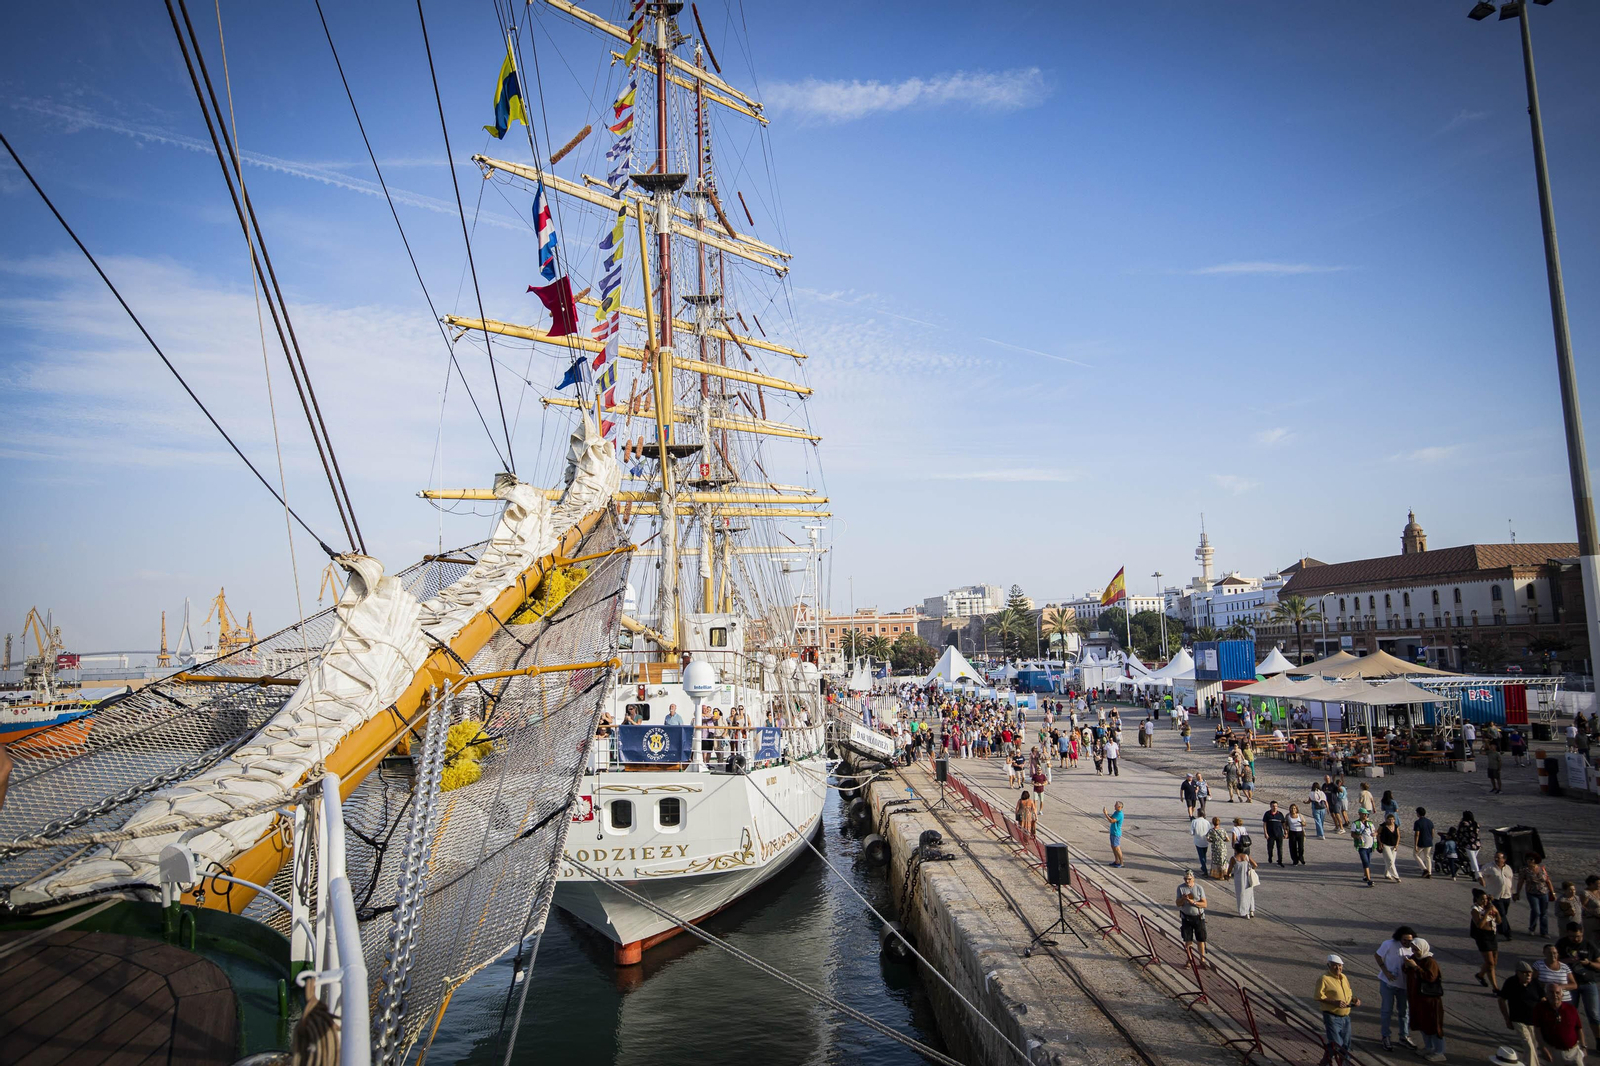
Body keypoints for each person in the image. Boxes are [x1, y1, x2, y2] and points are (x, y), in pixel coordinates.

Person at [1557, 921, 1600, 1049]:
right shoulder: (1562, 943)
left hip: (1588, 982)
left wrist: (1588, 963)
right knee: (1569, 1013)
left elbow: (1599, 965)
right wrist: (1568, 960)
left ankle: (1598, 1040)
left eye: (1578, 936)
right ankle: (1570, 1038)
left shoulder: (1589, 945)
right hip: (1570, 984)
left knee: (1594, 1014)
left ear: (1582, 933)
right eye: (1572, 936)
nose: (1575, 939)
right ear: (1567, 934)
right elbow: (1554, 961)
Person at [1375, 925, 1418, 1052]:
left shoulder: (1414, 949)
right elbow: (1377, 956)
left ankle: (1404, 1036)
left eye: (1410, 940)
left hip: (1404, 986)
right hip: (1387, 984)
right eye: (1404, 940)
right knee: (1386, 1010)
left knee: (1404, 1012)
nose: (1407, 943)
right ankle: (1385, 1036)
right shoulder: (1389, 944)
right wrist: (1385, 971)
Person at [1404, 938, 1447, 1062]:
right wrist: (1408, 965)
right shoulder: (1415, 958)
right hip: (1418, 999)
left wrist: (1416, 967)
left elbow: (1431, 977)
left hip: (1430, 1000)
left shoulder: (1429, 961)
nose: (1414, 951)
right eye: (1413, 949)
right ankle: (1429, 1047)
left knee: (1433, 1026)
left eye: (1416, 949)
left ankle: (1439, 1051)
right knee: (1422, 1025)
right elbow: (1407, 971)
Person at [1317, 953, 1360, 1064]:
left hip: (1345, 1017)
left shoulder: (1344, 977)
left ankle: (1339, 1063)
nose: (1338, 968)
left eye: (1340, 965)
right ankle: (1325, 1062)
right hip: (1332, 1016)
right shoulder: (1324, 979)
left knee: (1346, 1045)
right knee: (1336, 1044)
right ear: (1329, 966)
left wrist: (1354, 1000)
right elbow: (1319, 996)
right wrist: (1334, 1002)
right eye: (1335, 965)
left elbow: (1348, 992)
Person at [1503, 962, 1547, 1066]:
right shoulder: (1511, 983)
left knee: (1533, 1047)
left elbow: (1543, 1000)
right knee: (1528, 1045)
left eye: (1530, 973)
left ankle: (1527, 1063)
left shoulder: (1535, 983)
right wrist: (1506, 1018)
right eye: (1525, 973)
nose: (1528, 975)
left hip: (1534, 1021)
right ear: (1517, 973)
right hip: (1518, 1020)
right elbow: (1501, 999)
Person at [1534, 981, 1587, 1065]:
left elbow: (1579, 1028)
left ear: (1562, 995)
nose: (1555, 995)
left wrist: (1583, 1047)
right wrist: (1542, 1048)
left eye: (1557, 992)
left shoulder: (1571, 1009)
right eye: (1551, 992)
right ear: (1546, 994)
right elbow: (1537, 1030)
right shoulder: (1540, 1009)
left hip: (1574, 1052)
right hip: (1554, 1052)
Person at [1474, 887, 1504, 989]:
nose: (1484, 901)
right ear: (1476, 900)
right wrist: (1487, 912)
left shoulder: (1490, 906)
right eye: (1482, 899)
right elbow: (1480, 925)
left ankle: (1480, 975)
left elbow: (1499, 921)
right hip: (1483, 936)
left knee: (1494, 961)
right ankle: (1495, 988)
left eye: (1486, 899)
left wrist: (1496, 912)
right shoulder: (1475, 909)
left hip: (1493, 935)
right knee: (1490, 963)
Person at [1176, 869, 1209, 961]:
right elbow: (1178, 903)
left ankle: (1202, 959)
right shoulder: (1180, 888)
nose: (1187, 881)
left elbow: (1204, 904)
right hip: (1186, 917)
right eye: (1185, 879)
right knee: (1187, 940)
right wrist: (1183, 899)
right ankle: (1189, 959)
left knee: (1200, 939)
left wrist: (1193, 902)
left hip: (1198, 917)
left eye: (1189, 879)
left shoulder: (1199, 888)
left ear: (1193, 878)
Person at [1523, 854, 1557, 939]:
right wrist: (1517, 892)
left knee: (1544, 913)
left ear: (1535, 860)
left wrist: (1552, 893)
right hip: (1532, 893)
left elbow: (1548, 881)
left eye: (1531, 859)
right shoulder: (1525, 870)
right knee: (1536, 911)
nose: (1529, 861)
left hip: (1543, 893)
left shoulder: (1542, 869)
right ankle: (1532, 928)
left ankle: (1544, 932)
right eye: (1528, 859)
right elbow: (1520, 881)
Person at [1487, 852, 1518, 939]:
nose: (1496, 859)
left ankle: (1500, 927)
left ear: (1504, 859)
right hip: (1495, 895)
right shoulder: (1490, 866)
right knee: (1502, 913)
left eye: (1498, 858)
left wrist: (1514, 892)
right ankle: (1507, 932)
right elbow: (1480, 873)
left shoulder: (1508, 868)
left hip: (1506, 895)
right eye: (1495, 857)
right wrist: (1480, 878)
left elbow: (1511, 881)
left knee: (1503, 913)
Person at [1227, 845, 1258, 919]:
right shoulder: (1247, 856)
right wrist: (1251, 869)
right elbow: (1255, 865)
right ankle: (1251, 911)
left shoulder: (1233, 858)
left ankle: (1245, 912)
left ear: (1236, 850)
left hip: (1239, 879)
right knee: (1250, 895)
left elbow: (1230, 869)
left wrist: (1228, 875)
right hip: (1248, 878)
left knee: (1241, 896)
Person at [1459, 811, 1484, 886]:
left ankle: (1478, 875)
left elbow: (1460, 833)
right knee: (1473, 859)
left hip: (1468, 844)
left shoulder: (1464, 824)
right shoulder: (1476, 823)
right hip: (1477, 843)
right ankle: (1473, 872)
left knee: (1473, 860)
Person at [1353, 812, 1378, 888]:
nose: (1366, 816)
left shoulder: (1370, 823)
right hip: (1362, 846)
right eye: (1364, 814)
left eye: (1366, 815)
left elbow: (1375, 832)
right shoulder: (1356, 823)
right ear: (1360, 814)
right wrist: (1358, 836)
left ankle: (1365, 876)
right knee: (1365, 862)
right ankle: (1369, 880)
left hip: (1370, 846)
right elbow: (1352, 834)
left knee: (1368, 861)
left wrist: (1375, 834)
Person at [1378, 813, 1403, 883]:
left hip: (1393, 845)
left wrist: (1397, 845)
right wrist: (1380, 843)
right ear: (1386, 820)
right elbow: (1378, 834)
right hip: (1385, 845)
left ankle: (1387, 873)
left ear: (1394, 820)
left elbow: (1398, 836)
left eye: (1392, 819)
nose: (1391, 821)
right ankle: (1396, 876)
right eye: (1389, 819)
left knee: (1391, 860)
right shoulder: (1383, 826)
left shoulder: (1396, 826)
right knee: (1390, 860)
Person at [1412, 807, 1436, 878]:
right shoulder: (1430, 821)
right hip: (1429, 841)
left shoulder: (1417, 822)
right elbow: (1432, 832)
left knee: (1415, 854)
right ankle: (1429, 872)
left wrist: (1415, 844)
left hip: (1421, 841)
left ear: (1418, 813)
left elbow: (1417, 834)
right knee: (1427, 857)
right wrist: (1431, 839)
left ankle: (1424, 869)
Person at [1262, 801, 1288, 867]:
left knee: (1280, 848)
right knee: (1270, 847)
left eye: (1276, 806)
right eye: (1273, 806)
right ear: (1270, 806)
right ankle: (1270, 857)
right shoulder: (1267, 814)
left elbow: (1283, 824)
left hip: (1279, 834)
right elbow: (1265, 824)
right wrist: (1265, 833)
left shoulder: (1280, 814)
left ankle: (1280, 861)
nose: (1275, 807)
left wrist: (1285, 831)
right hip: (1270, 834)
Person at [1207, 816, 1230, 881]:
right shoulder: (1222, 830)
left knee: (1216, 861)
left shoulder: (1211, 830)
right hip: (1222, 847)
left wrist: (1213, 841)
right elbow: (1228, 839)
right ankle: (1224, 874)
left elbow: (1207, 838)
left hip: (1215, 847)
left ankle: (1217, 874)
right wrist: (1222, 841)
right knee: (1223, 860)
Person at [1104, 801, 1125, 867]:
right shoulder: (1116, 812)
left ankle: (1121, 863)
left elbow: (1111, 821)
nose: (1114, 806)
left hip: (1116, 833)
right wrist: (1108, 815)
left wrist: (1105, 814)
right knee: (1113, 847)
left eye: (1115, 805)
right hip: (1112, 832)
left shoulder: (1120, 814)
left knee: (1117, 848)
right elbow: (1111, 818)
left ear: (1119, 807)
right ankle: (1116, 860)